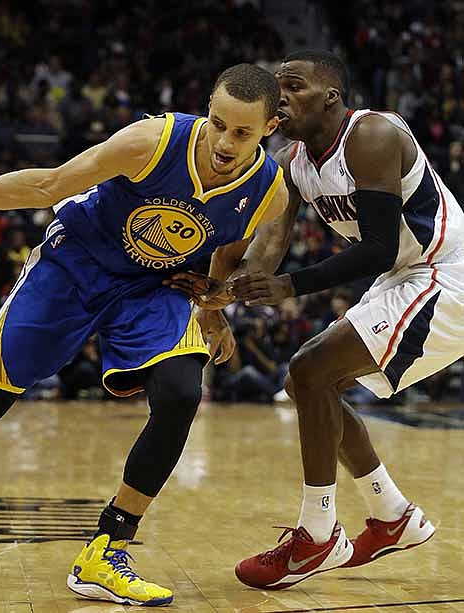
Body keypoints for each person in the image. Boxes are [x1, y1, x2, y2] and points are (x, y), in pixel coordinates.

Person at [0, 63, 287, 606]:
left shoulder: (268, 193)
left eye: (242, 132)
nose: (225, 141)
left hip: (150, 287)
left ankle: (106, 549)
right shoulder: (151, 142)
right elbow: (50, 183)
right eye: (217, 123)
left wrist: (214, 301)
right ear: (206, 107)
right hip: (74, 266)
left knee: (182, 393)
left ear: (270, 128)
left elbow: (230, 246)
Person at [188, 50, 457, 589]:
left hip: (445, 274)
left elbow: (379, 248)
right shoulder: (292, 163)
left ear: (331, 97)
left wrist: (289, 285)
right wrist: (231, 293)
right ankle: (393, 517)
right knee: (306, 382)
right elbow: (270, 244)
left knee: (311, 371)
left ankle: (318, 535)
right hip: (405, 276)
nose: (280, 96)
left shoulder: (373, 135)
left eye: (293, 87)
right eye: (276, 88)